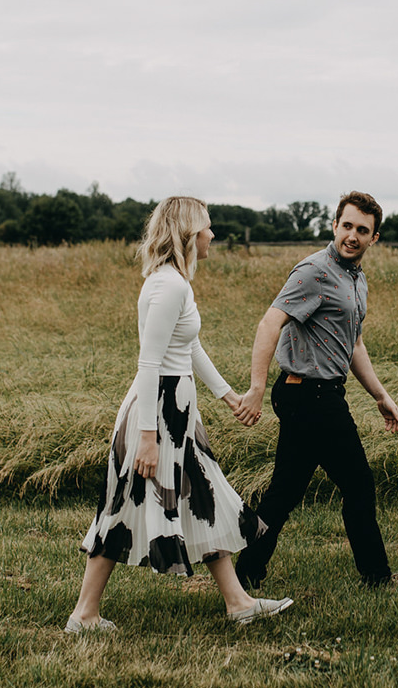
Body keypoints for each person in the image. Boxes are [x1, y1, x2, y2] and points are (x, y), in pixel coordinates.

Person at [67, 196, 293, 631]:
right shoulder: (169, 286)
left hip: (177, 412)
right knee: (123, 504)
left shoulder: (174, 282)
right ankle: (84, 614)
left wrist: (228, 396)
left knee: (204, 495)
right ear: (189, 233)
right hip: (158, 413)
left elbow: (189, 348)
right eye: (207, 226)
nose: (212, 234)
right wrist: (148, 438)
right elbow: (149, 363)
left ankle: (238, 603)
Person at [232, 191, 398, 589]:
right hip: (309, 396)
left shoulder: (356, 280)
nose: (353, 236)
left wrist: (380, 396)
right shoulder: (314, 271)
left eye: (363, 230)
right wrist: (256, 388)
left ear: (374, 237)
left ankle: (245, 574)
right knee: (358, 485)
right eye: (347, 226)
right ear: (334, 225)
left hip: (321, 394)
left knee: (284, 492)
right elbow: (269, 323)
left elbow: (353, 344)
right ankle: (377, 577)